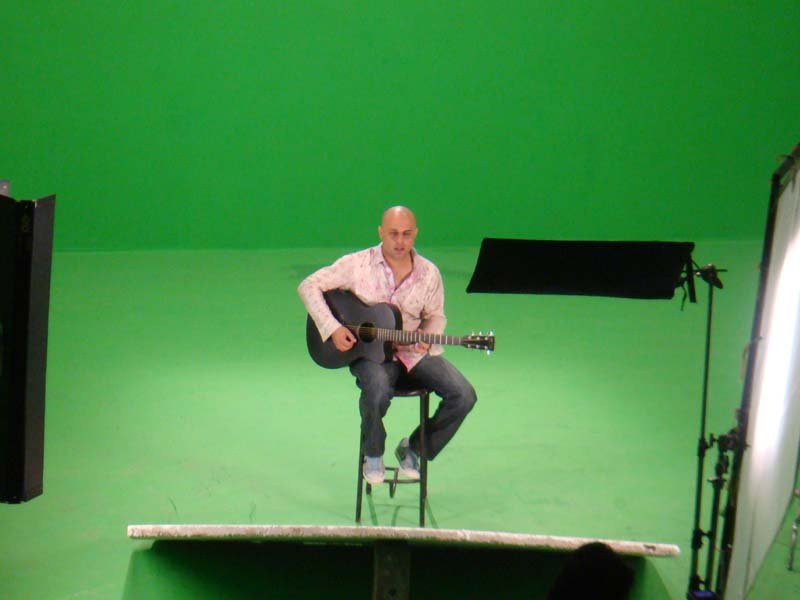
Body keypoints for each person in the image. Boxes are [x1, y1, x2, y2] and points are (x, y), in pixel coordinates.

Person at [298, 206, 477, 484]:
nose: (400, 241)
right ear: (381, 232)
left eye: (407, 234)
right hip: (370, 355)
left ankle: (414, 449)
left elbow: (436, 316)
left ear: (416, 234)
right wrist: (333, 328)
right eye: (393, 234)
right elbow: (308, 286)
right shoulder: (356, 264)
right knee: (377, 389)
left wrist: (427, 338)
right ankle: (372, 452)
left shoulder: (429, 273)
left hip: (411, 354)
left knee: (464, 395)